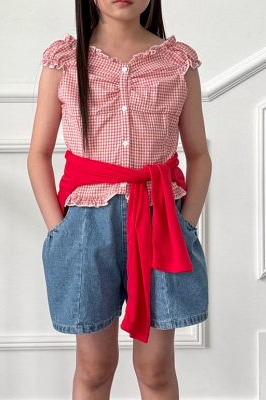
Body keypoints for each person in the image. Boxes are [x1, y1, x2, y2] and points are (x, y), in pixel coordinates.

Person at [27, 0, 211, 398]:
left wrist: (186, 224)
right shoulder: (64, 61)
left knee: (156, 369)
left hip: (160, 222)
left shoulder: (177, 63)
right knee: (94, 368)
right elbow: (38, 154)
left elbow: (198, 154)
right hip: (85, 228)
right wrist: (59, 230)